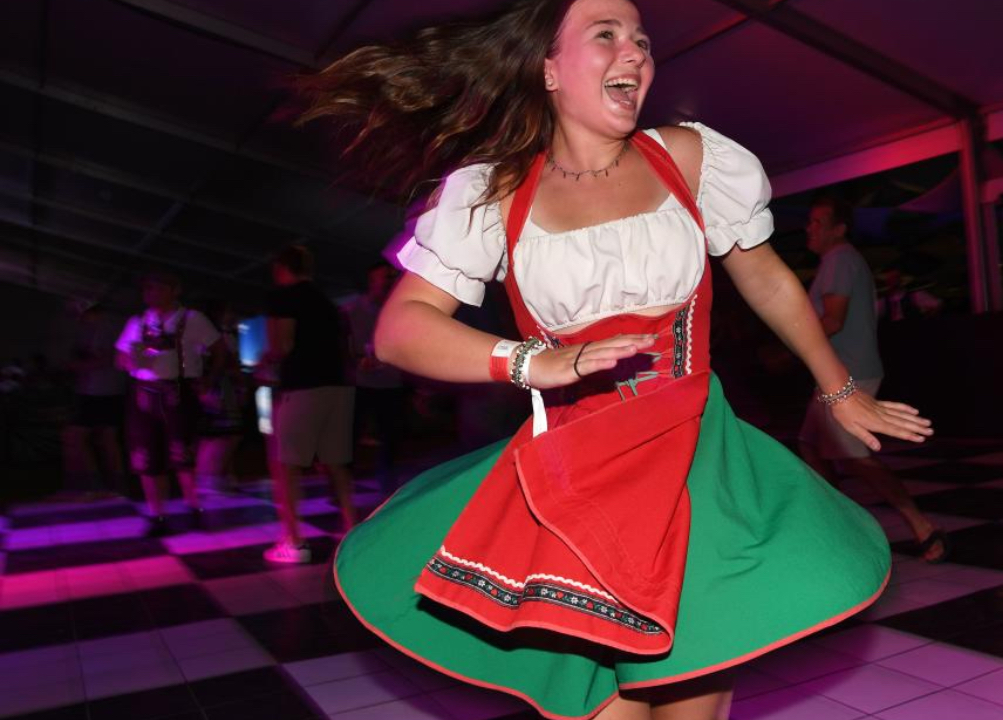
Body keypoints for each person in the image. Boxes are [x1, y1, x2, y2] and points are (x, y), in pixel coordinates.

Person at [297, 1, 932, 717]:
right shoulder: (492, 191)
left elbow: (766, 276)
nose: (634, 52)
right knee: (602, 705)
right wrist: (534, 361)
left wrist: (839, 388)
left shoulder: (690, 156)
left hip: (695, 463)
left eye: (642, 40)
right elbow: (403, 329)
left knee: (694, 690)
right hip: (572, 476)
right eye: (606, 35)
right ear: (548, 69)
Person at [798, 198, 948, 564]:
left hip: (849, 375)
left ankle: (921, 526)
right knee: (811, 446)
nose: (809, 229)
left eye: (818, 222)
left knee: (854, 458)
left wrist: (792, 348)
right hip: (840, 371)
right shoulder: (839, 262)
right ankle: (840, 527)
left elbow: (832, 320)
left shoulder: (839, 261)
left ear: (839, 228)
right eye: (810, 222)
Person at [262, 245, 357, 564]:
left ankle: (294, 541)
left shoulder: (283, 298)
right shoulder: (327, 303)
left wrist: (267, 359)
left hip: (302, 387)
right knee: (336, 463)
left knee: (286, 467)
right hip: (337, 386)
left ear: (280, 268)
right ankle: (351, 529)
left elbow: (283, 346)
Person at [116, 272, 225, 535]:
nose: (151, 293)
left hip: (179, 391)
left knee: (183, 453)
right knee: (146, 456)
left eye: (158, 287)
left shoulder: (192, 319)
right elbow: (119, 356)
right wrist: (132, 361)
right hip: (144, 393)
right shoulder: (138, 321)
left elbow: (220, 349)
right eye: (148, 288)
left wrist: (209, 378)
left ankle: (194, 508)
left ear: (175, 290)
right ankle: (158, 516)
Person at [342, 262, 407, 495]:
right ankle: (343, 488)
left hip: (390, 383)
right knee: (351, 435)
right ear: (371, 281)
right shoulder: (352, 310)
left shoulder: (396, 308)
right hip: (362, 383)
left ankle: (388, 490)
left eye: (390, 277)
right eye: (383, 278)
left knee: (390, 438)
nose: (387, 281)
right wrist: (357, 362)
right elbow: (346, 346)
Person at [62, 304, 127, 500]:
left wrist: (77, 366)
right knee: (102, 439)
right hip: (95, 392)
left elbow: (110, 359)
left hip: (102, 392)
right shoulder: (89, 330)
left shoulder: (106, 328)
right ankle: (107, 487)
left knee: (79, 437)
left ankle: (95, 486)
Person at [194, 299, 247, 498]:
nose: (231, 316)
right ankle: (210, 478)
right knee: (223, 434)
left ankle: (212, 477)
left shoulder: (217, 335)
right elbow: (230, 363)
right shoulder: (218, 336)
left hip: (217, 386)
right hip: (219, 386)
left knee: (218, 434)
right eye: (228, 312)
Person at [877, 268, 942, 322]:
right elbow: (874, 313)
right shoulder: (883, 301)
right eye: (889, 280)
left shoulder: (915, 295)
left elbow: (936, 305)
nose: (892, 282)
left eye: (895, 279)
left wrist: (927, 315)